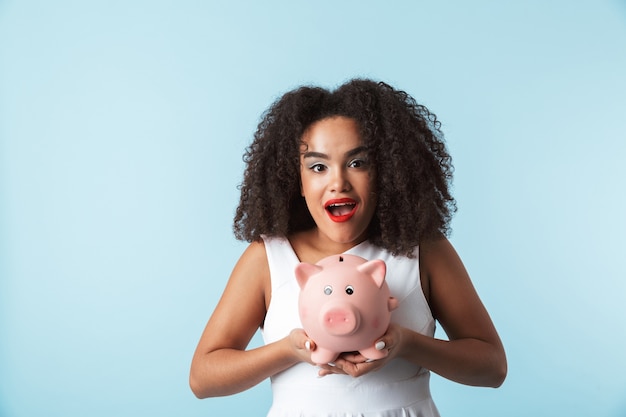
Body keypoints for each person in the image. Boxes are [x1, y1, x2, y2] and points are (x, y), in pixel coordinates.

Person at [189, 79, 507, 416]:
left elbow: (492, 368)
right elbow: (203, 378)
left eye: (357, 163)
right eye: (318, 167)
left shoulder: (424, 250)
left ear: (386, 172)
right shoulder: (268, 257)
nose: (338, 182)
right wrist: (291, 350)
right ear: (297, 180)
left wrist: (406, 344)